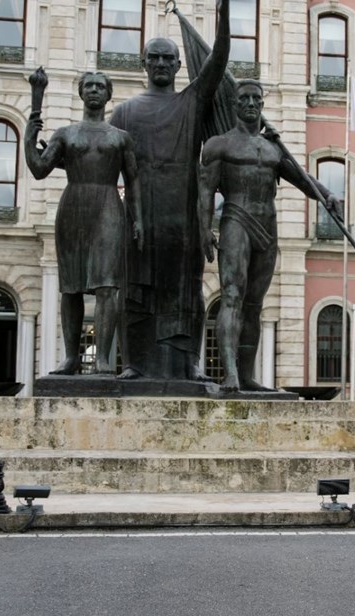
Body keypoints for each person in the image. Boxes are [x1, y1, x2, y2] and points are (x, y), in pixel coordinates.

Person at [108, 0, 230, 382]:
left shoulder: (191, 101)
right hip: (140, 217)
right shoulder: (123, 113)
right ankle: (133, 363)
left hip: (183, 216)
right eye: (154, 58)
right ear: (143, 64)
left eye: (168, 58)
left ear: (179, 66)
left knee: (186, 292)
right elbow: (110, 172)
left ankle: (188, 363)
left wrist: (224, 17)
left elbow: (218, 62)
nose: (161, 64)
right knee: (135, 292)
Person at [198, 80, 341, 391]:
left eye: (256, 99)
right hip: (236, 220)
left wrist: (327, 194)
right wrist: (205, 231)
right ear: (234, 105)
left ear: (262, 105)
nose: (250, 103)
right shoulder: (219, 144)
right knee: (232, 297)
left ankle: (247, 376)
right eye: (244, 98)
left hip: (268, 225)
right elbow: (206, 192)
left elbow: (303, 180)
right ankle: (230, 373)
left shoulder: (273, 147)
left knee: (254, 305)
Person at [25, 69, 142, 375]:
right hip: (73, 207)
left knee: (107, 286)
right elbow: (39, 168)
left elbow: (134, 181)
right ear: (80, 93)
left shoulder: (120, 138)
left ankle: (102, 358)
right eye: (88, 86)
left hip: (108, 207)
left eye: (99, 86)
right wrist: (29, 135)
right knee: (71, 287)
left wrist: (137, 219)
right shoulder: (66, 134)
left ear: (108, 94)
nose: (93, 90)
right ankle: (70, 357)